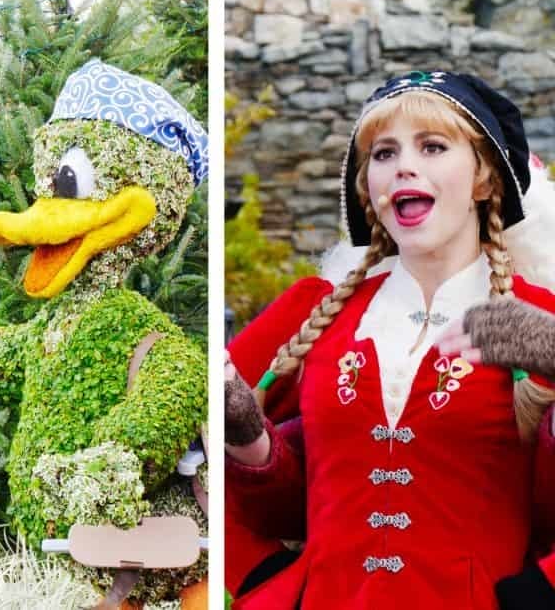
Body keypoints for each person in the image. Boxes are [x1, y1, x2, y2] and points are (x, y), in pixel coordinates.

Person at [224, 72, 555, 609]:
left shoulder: (541, 322)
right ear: (368, 188)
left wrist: (543, 592)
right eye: (383, 152)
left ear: (484, 179)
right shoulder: (318, 316)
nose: (404, 164)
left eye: (432, 146)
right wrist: (246, 442)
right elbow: (272, 497)